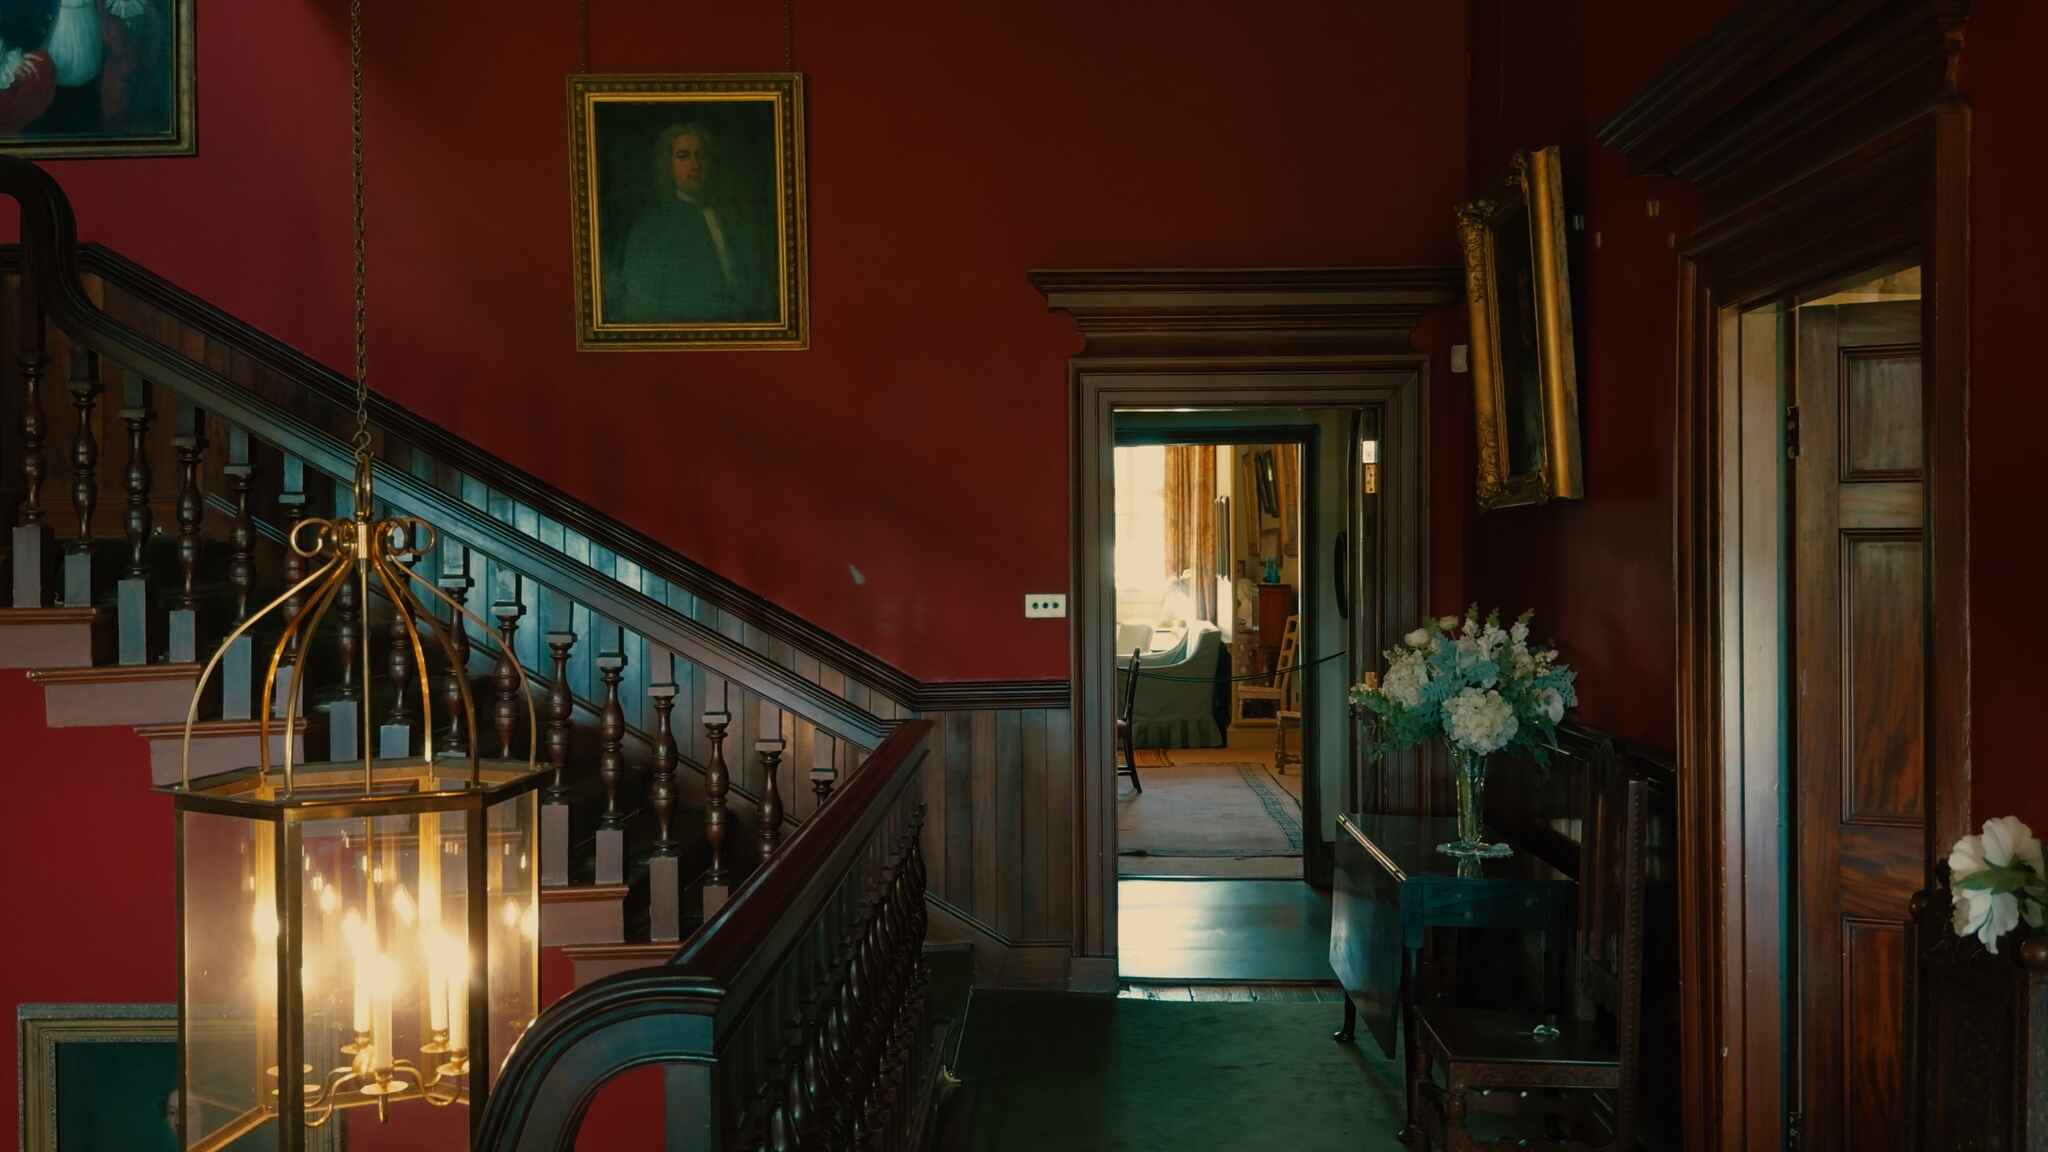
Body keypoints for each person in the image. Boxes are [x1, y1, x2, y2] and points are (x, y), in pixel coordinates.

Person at [606, 120, 775, 324]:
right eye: (683, 156)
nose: (695, 165)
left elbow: (759, 288)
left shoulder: (734, 218)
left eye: (701, 155)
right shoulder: (650, 227)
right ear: (668, 165)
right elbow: (642, 307)